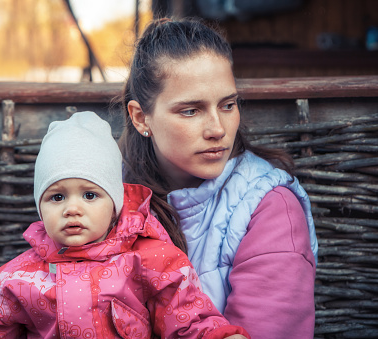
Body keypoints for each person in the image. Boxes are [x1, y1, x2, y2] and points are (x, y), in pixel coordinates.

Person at [0, 111, 250, 338]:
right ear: (39, 207)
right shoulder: (18, 278)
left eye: (90, 195)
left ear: (115, 204)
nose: (72, 209)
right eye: (56, 197)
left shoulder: (149, 260)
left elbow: (186, 316)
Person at [117, 18, 319, 339]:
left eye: (228, 105)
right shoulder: (102, 196)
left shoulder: (270, 209)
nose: (218, 130)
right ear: (141, 118)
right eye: (191, 110)